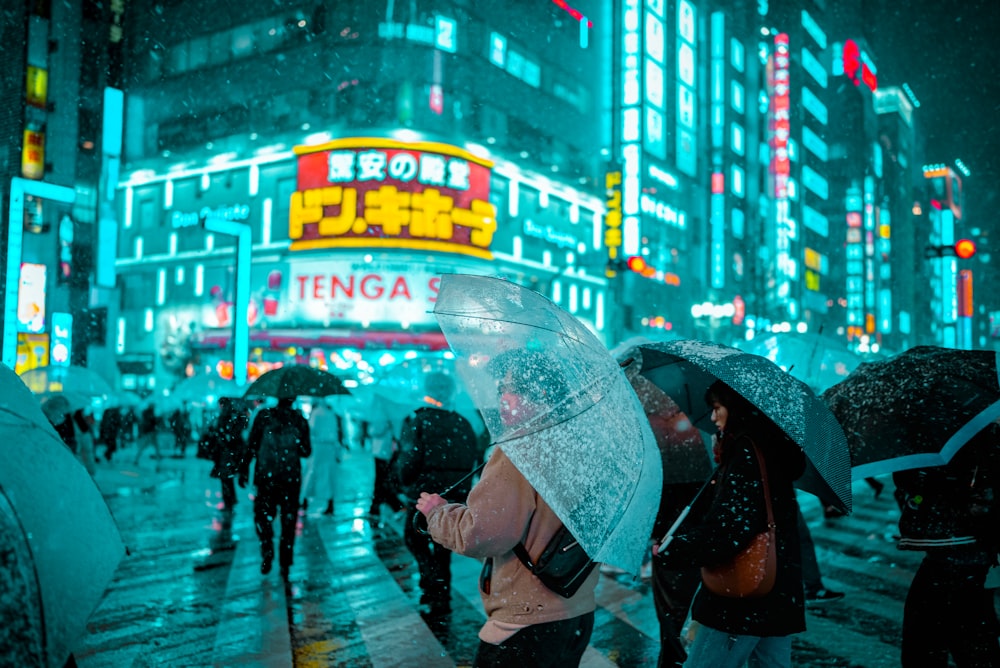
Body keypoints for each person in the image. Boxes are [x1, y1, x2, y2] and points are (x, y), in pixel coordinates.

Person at [415, 354, 599, 666]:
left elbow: (484, 533)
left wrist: (437, 514)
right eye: (501, 389)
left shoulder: (522, 448)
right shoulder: (579, 444)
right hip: (576, 608)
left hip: (525, 616)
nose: (502, 397)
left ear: (539, 394)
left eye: (509, 388)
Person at [654, 380, 807, 668]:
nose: (712, 417)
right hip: (776, 588)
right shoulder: (770, 447)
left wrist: (678, 549)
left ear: (737, 409)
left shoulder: (746, 453)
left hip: (742, 596)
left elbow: (729, 529)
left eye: (717, 408)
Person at [892, 424, 1000, 667]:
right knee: (973, 636)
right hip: (971, 555)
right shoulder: (979, 431)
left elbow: (921, 490)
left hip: (957, 553)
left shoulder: (952, 436)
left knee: (930, 641)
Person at [394, 372, 481, 620]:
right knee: (443, 546)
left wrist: (404, 481)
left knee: (415, 540)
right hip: (454, 494)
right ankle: (441, 594)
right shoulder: (462, 422)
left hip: (424, 496)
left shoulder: (420, 421)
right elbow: (472, 459)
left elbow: (409, 462)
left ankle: (432, 585)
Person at [240, 396, 311, 578]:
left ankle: (267, 549)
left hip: (266, 475)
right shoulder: (299, 419)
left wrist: (244, 468)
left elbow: (252, 444)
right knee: (289, 521)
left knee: (263, 516)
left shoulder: (264, 415)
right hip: (290, 477)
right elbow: (306, 451)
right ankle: (285, 562)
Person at [203, 398, 249, 514]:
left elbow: (222, 433)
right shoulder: (235, 416)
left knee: (225, 478)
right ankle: (231, 500)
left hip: (225, 452)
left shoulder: (226, 416)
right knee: (227, 478)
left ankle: (229, 502)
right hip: (230, 452)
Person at [301, 398, 343, 516]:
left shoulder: (316, 413)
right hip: (329, 448)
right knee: (329, 475)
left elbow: (311, 430)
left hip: (318, 448)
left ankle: (304, 501)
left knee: (311, 473)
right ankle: (330, 502)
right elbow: (336, 432)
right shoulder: (331, 413)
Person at [367, 405, 403, 520]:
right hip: (388, 451)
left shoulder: (381, 416)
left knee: (381, 480)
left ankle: (389, 506)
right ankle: (378, 508)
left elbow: (375, 431)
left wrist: (372, 427)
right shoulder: (395, 414)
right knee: (383, 479)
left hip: (381, 451)